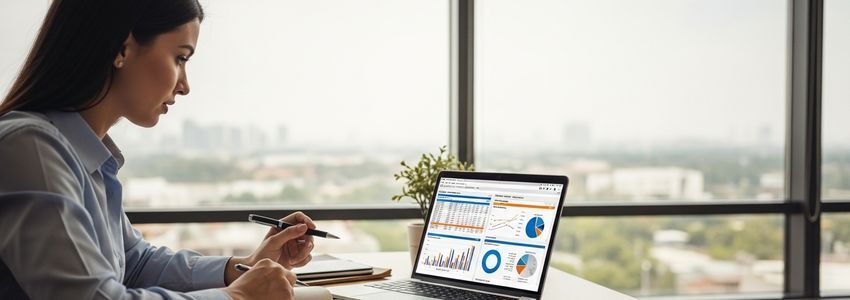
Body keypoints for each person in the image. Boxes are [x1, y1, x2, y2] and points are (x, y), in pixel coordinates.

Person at [0, 0, 315, 299]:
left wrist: (242, 267)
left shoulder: (82, 156)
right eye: (180, 57)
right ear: (122, 48)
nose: (184, 85)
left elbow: (135, 263)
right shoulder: (32, 149)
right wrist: (238, 295)